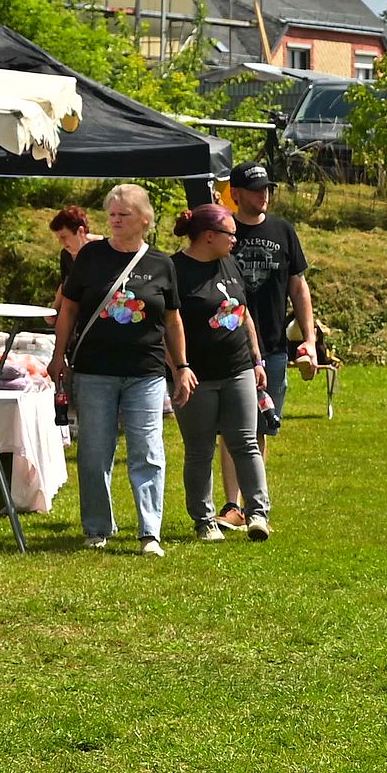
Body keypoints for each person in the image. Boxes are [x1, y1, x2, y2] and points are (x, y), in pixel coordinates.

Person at [52, 183, 193, 555]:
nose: (115, 220)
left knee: (147, 450)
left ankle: (150, 533)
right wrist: (58, 356)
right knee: (94, 451)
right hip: (93, 370)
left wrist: (181, 366)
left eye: (123, 214)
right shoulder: (90, 256)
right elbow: (68, 308)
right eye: (112, 214)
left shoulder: (162, 264)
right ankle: (97, 527)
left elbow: (173, 320)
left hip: (146, 371)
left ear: (144, 219)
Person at [223, 162, 319, 518]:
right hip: (229, 346)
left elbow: (299, 287)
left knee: (261, 427)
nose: (263, 195)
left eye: (266, 188)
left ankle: (253, 505)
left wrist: (309, 339)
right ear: (235, 193)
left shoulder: (283, 230)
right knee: (232, 428)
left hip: (274, 347)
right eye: (255, 189)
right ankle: (231, 504)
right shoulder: (222, 231)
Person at [170, 202, 268, 541]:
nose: (235, 240)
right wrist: (179, 368)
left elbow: (243, 312)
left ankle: (257, 514)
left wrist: (256, 360)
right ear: (209, 236)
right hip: (197, 376)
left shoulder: (229, 263)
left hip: (238, 369)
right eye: (230, 234)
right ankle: (204, 520)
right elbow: (166, 325)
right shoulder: (175, 270)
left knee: (245, 443)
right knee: (200, 450)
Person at [49, 204, 92, 287]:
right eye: (58, 238)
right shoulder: (66, 255)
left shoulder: (104, 251)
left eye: (63, 237)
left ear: (80, 231)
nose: (61, 242)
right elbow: (65, 286)